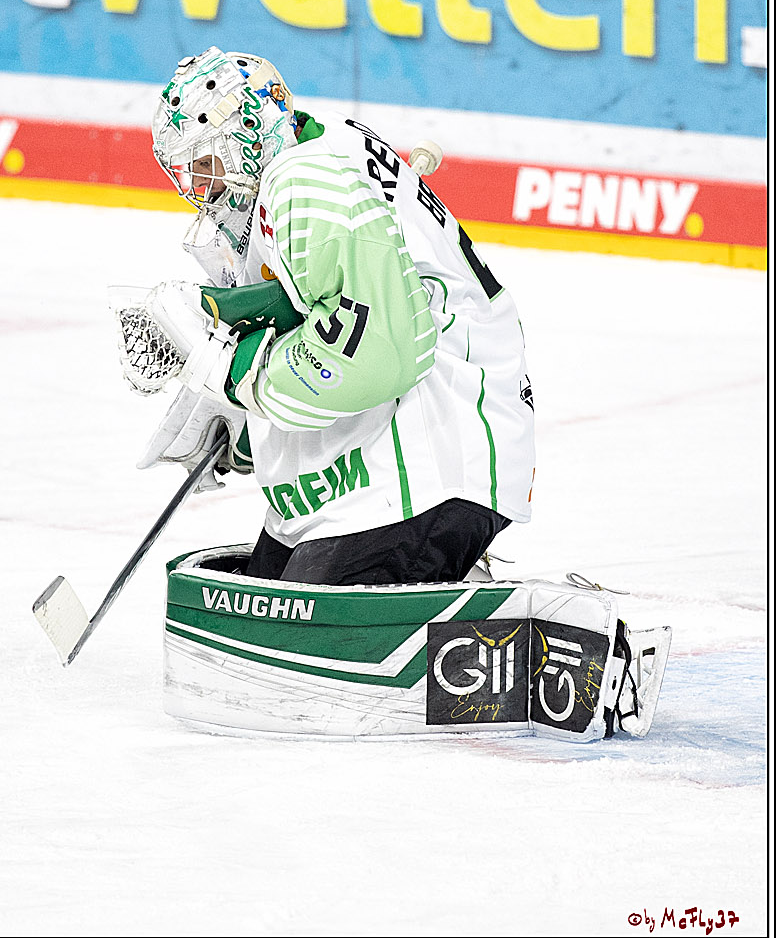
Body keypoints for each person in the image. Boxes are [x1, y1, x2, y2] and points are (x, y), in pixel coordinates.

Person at [118, 47, 535, 587]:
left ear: (250, 134)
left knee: (289, 633)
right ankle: (436, 571)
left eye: (207, 161)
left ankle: (449, 583)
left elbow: (380, 354)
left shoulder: (308, 184)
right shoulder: (307, 158)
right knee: (265, 607)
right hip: (380, 459)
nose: (198, 184)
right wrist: (239, 417)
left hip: (435, 457)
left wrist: (236, 373)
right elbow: (307, 299)